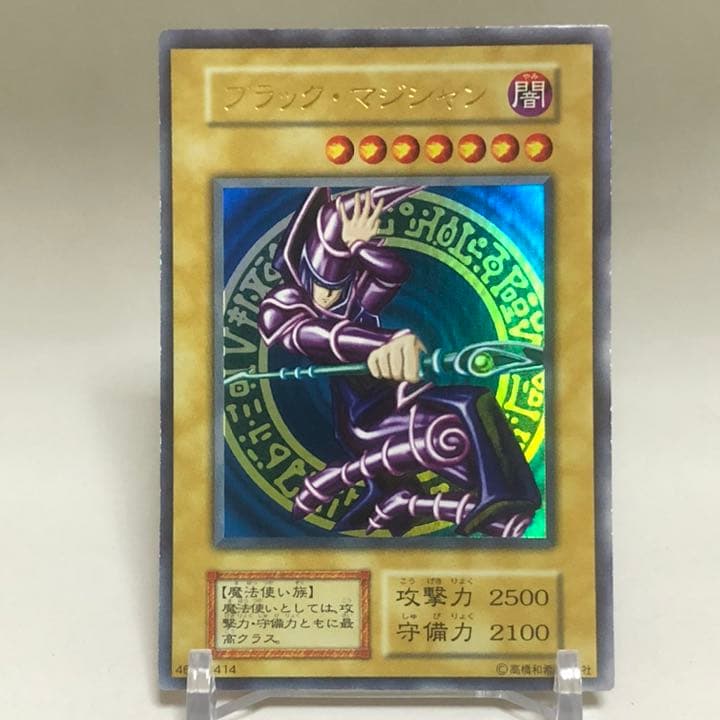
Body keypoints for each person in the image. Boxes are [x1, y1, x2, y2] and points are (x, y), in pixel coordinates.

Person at [258, 187, 541, 537]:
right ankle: (489, 499)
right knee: (459, 420)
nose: (330, 297)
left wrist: (360, 246)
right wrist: (379, 343)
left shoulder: (353, 300)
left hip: (401, 398)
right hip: (365, 419)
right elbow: (311, 334)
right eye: (321, 287)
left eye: (339, 288)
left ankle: (499, 496)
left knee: (471, 407)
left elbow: (393, 273)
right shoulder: (286, 307)